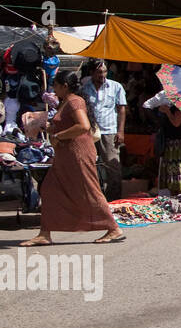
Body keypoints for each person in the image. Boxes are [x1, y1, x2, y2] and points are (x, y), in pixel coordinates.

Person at [20, 71, 124, 246]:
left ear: (64, 86)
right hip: (65, 155)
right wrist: (49, 127)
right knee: (50, 189)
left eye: (56, 86)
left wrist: (59, 135)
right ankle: (45, 233)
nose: (54, 89)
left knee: (89, 190)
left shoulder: (74, 101)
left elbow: (83, 126)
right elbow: (68, 125)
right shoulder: (66, 102)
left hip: (78, 153)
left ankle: (113, 227)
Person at [80, 58, 127, 200]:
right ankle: (95, 198)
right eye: (99, 72)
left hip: (109, 132)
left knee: (113, 166)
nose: (102, 75)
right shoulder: (84, 89)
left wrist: (121, 131)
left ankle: (114, 200)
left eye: (104, 72)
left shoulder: (116, 86)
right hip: (90, 132)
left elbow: (122, 110)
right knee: (90, 166)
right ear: (92, 73)